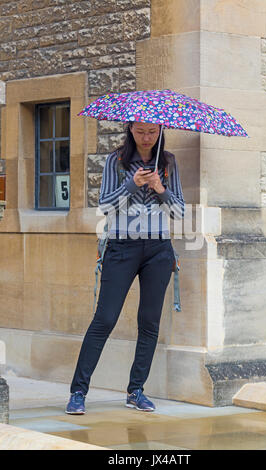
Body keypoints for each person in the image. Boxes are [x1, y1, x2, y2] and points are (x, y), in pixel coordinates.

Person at [66, 121, 185, 414]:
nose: (146, 138)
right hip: (121, 247)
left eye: (152, 132)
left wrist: (160, 188)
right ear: (130, 130)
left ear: (160, 132)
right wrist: (133, 185)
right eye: (141, 131)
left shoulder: (168, 162)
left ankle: (136, 390)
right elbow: (105, 206)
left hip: (158, 249)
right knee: (104, 319)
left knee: (149, 322)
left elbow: (180, 212)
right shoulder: (116, 161)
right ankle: (78, 391)